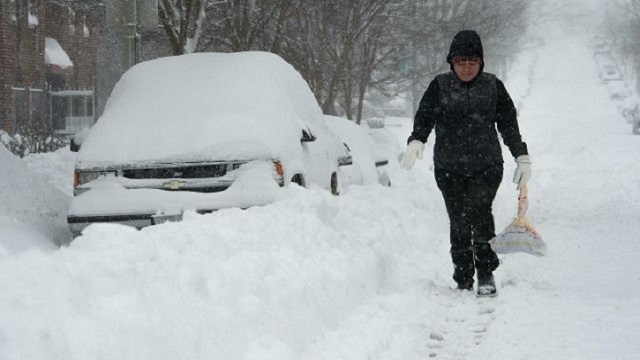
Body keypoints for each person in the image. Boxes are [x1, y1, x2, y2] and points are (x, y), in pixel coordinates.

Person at [400, 30, 532, 297]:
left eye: (472, 63)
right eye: (461, 63)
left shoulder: (493, 87)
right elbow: (424, 117)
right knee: (459, 221)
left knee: (481, 214)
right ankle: (462, 274)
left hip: (487, 166)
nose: (467, 68)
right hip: (449, 168)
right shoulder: (439, 86)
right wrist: (417, 140)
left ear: (481, 63)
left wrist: (521, 154)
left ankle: (485, 272)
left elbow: (508, 125)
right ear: (452, 64)